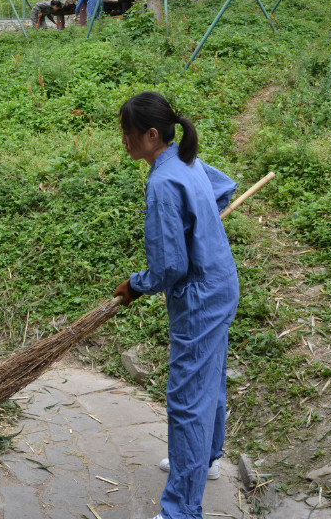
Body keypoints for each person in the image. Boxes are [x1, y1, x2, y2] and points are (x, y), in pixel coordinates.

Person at [112, 91, 238, 519]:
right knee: (211, 376)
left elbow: (169, 267)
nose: (124, 142)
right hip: (221, 284)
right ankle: (209, 459)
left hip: (200, 298)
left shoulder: (164, 182)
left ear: (151, 134)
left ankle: (181, 510)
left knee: (187, 399)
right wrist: (201, 225)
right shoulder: (186, 161)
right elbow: (225, 188)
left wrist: (134, 285)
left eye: (128, 134)